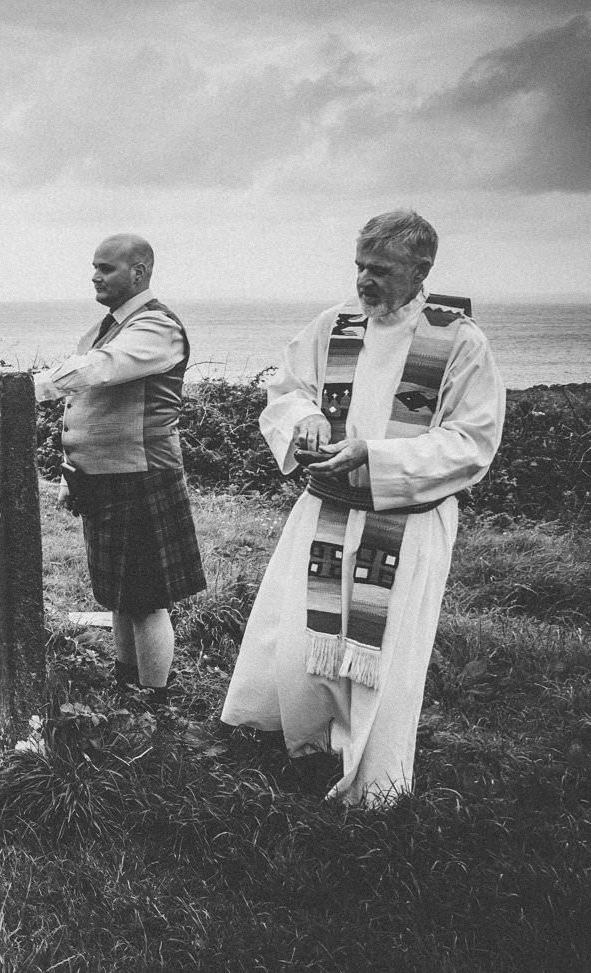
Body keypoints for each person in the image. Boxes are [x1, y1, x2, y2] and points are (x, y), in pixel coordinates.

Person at [219, 209, 505, 805]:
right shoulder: (337, 325)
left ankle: (374, 780)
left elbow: (470, 442)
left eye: (380, 270)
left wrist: (372, 456)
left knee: (383, 652)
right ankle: (301, 741)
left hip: (403, 521)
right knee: (303, 634)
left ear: (421, 269)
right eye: (359, 267)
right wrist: (307, 421)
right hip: (324, 511)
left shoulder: (458, 341)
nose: (364, 282)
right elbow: (287, 389)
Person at [34, 234, 206, 709]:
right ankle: (127, 684)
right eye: (94, 266)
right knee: (120, 594)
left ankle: (153, 703)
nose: (95, 276)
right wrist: (74, 472)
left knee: (148, 598)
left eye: (106, 268)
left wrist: (29, 388)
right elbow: (86, 400)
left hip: (142, 473)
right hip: (105, 477)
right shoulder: (104, 327)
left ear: (139, 271)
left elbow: (102, 370)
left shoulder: (157, 328)